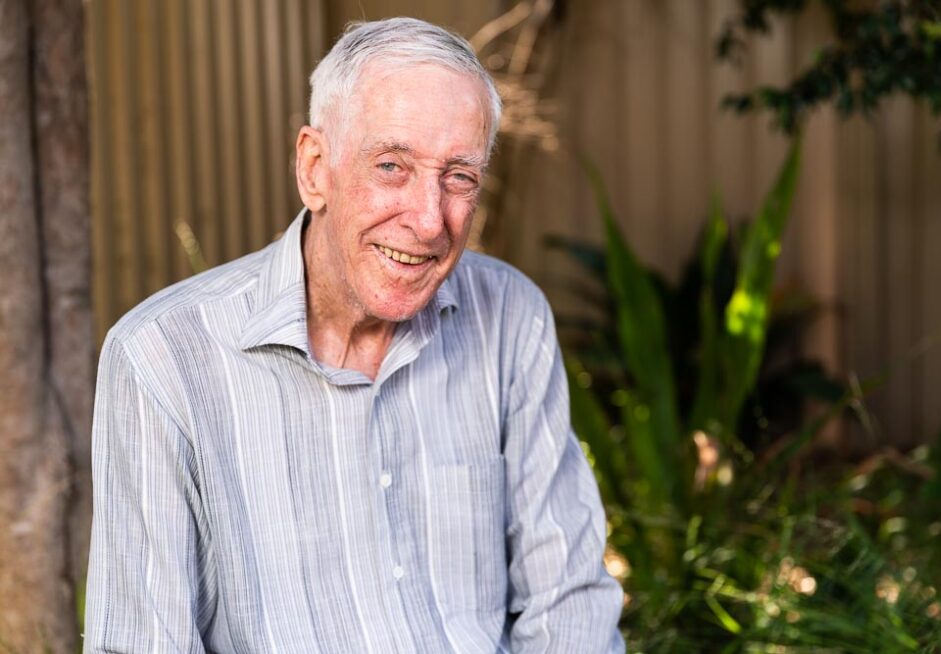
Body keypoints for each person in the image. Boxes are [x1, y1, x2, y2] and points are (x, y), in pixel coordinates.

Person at [84, 17, 624, 653]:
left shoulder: (509, 316)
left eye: (459, 177)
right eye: (392, 166)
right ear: (315, 168)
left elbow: (568, 601)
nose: (428, 221)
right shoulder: (162, 358)